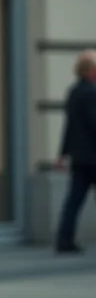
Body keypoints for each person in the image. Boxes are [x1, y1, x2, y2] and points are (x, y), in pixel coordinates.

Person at [54, 49, 96, 254]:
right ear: (91, 71)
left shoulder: (73, 91)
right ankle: (65, 240)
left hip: (79, 157)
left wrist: (62, 154)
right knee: (74, 200)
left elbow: (69, 126)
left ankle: (64, 239)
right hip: (93, 157)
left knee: (74, 201)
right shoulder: (91, 93)